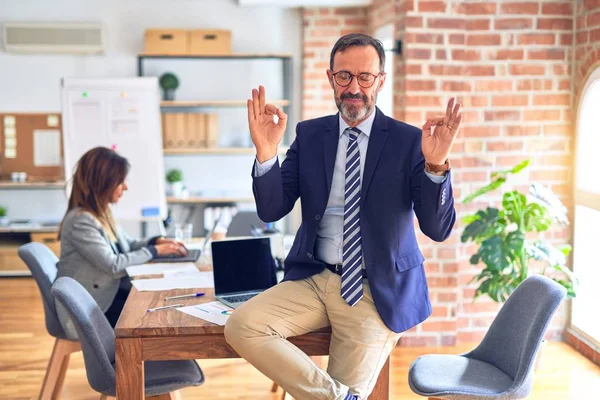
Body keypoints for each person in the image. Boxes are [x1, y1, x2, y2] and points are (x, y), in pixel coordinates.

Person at [224, 33, 462, 400]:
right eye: (344, 76)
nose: (354, 88)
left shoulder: (408, 141)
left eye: (365, 77)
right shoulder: (310, 133)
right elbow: (273, 209)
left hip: (374, 290)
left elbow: (437, 228)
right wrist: (266, 152)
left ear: (381, 80)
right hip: (314, 279)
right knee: (241, 326)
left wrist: (435, 165)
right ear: (330, 78)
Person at [55, 146, 187, 339]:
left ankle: (163, 366)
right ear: (103, 182)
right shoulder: (81, 221)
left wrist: (155, 241)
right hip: (87, 312)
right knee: (156, 318)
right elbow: (114, 265)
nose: (125, 187)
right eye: (120, 181)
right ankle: (149, 366)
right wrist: (155, 250)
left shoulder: (101, 213)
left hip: (105, 298)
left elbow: (128, 245)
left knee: (160, 307)